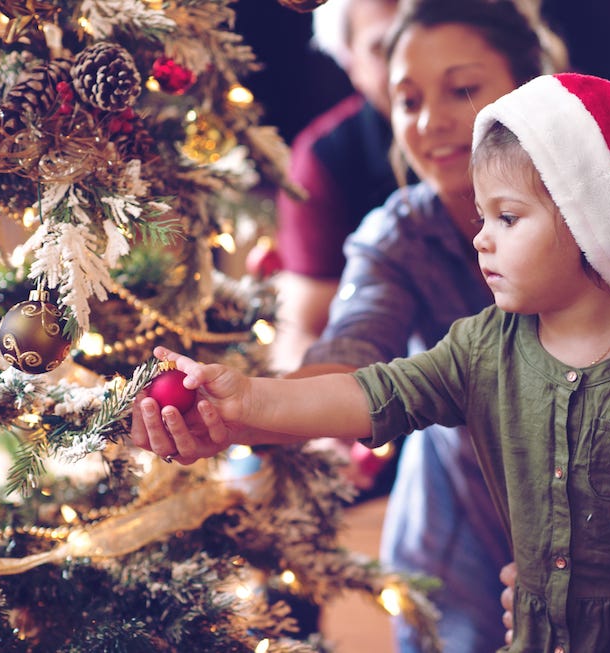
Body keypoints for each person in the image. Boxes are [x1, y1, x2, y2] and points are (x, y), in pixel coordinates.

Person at [133, 72, 610, 652]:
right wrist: (247, 399)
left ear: (594, 227)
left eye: (507, 217)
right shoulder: (482, 346)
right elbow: (370, 395)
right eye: (482, 216)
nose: (481, 237)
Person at [133, 1, 569, 650]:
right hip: (462, 526)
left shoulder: (605, 207)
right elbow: (351, 359)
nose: (432, 122)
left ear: (530, 86)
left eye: (464, 89)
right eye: (408, 99)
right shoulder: (397, 237)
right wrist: (234, 413)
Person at [271, 0, 400, 372]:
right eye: (383, 48)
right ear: (350, 62)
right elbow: (301, 329)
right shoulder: (323, 159)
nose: (409, 57)